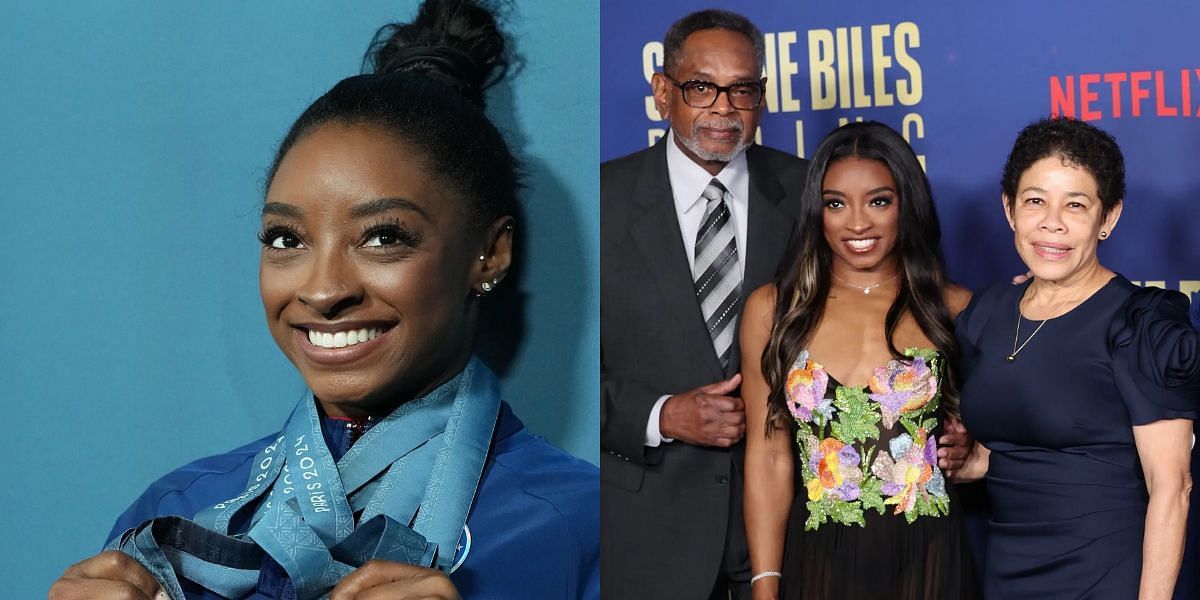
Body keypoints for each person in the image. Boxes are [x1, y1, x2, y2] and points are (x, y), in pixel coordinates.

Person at [48, 1, 599, 598]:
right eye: (287, 239)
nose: (323, 289)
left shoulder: (587, 528)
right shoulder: (171, 520)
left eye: (383, 236)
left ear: (488, 254)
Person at [599, 9, 808, 599]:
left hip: (786, 533)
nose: (723, 107)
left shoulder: (812, 194)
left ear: (761, 97)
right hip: (644, 539)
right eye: (701, 87)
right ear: (664, 93)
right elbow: (556, 375)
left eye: (742, 88)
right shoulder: (601, 204)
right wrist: (660, 414)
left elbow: (882, 296)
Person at [955, 117, 1198, 598]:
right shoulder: (987, 312)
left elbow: (1173, 488)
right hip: (1006, 570)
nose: (1052, 222)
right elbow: (1000, 445)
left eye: (1076, 205)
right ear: (1009, 208)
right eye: (1035, 201)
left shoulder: (1141, 324)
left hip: (1104, 574)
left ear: (1108, 218)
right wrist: (962, 461)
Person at [739, 121, 979, 599]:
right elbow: (767, 457)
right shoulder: (774, 310)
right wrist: (766, 586)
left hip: (930, 563)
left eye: (878, 201)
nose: (857, 223)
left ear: (905, 204)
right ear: (817, 211)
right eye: (835, 203)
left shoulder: (953, 308)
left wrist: (972, 443)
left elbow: (1000, 436)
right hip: (817, 563)